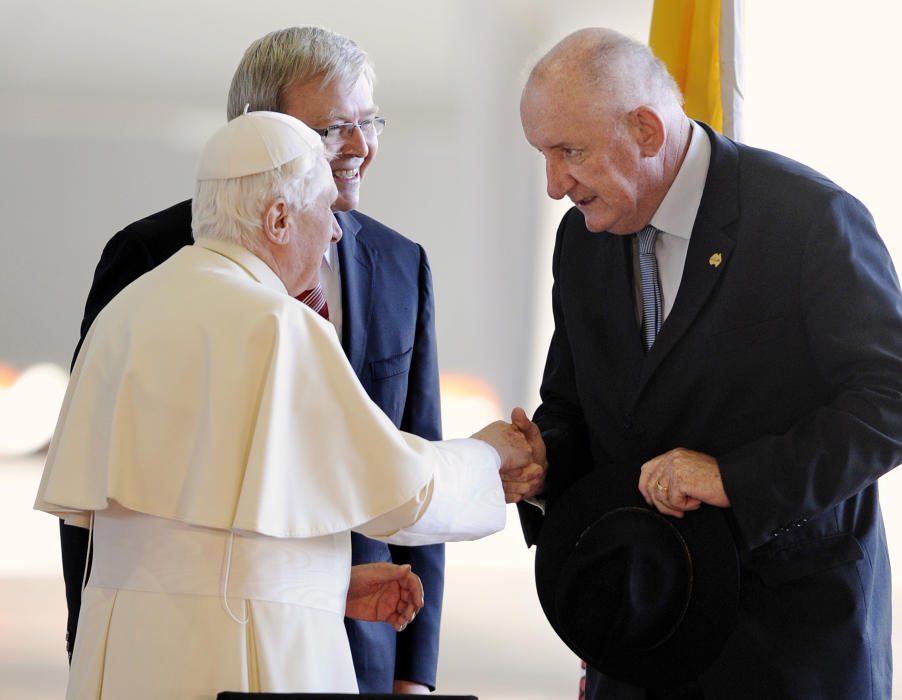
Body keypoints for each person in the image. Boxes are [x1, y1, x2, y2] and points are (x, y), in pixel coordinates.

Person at [36, 110, 534, 698]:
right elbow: (401, 492)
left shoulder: (125, 313)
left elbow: (189, 543)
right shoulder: (277, 324)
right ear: (278, 219)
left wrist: (324, 580)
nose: (336, 233)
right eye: (324, 211)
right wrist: (487, 458)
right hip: (240, 651)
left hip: (124, 653)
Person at [514, 27, 902, 699]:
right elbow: (578, 406)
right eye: (542, 154)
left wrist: (735, 480)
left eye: (570, 151)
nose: (552, 184)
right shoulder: (582, 238)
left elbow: (901, 402)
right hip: (639, 634)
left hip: (786, 650)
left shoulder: (807, 218)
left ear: (648, 131)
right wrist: (542, 460)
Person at [58, 26, 447, 695]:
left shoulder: (399, 263)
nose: (357, 147)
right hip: (197, 643)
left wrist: (417, 676)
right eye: (332, 129)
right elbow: (98, 480)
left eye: (367, 122)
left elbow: (412, 446)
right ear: (257, 133)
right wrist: (92, 636)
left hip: (368, 642)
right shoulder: (149, 256)